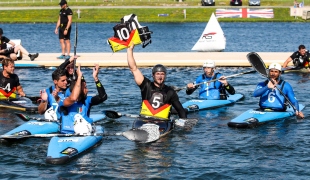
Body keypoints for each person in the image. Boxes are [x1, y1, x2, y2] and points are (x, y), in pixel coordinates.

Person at [127, 43, 187, 119]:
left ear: (165, 76)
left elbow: (181, 111)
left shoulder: (170, 92)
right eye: (157, 74)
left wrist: (185, 125)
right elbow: (133, 68)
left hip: (163, 123)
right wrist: (130, 50)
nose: (160, 76)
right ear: (153, 75)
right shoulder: (146, 86)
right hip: (145, 120)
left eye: (162, 74)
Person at [58, 64, 107, 134]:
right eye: (85, 88)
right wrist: (79, 77)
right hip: (68, 131)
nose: (87, 90)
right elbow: (73, 96)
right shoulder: (64, 100)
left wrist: (96, 79)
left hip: (85, 131)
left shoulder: (87, 100)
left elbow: (103, 97)